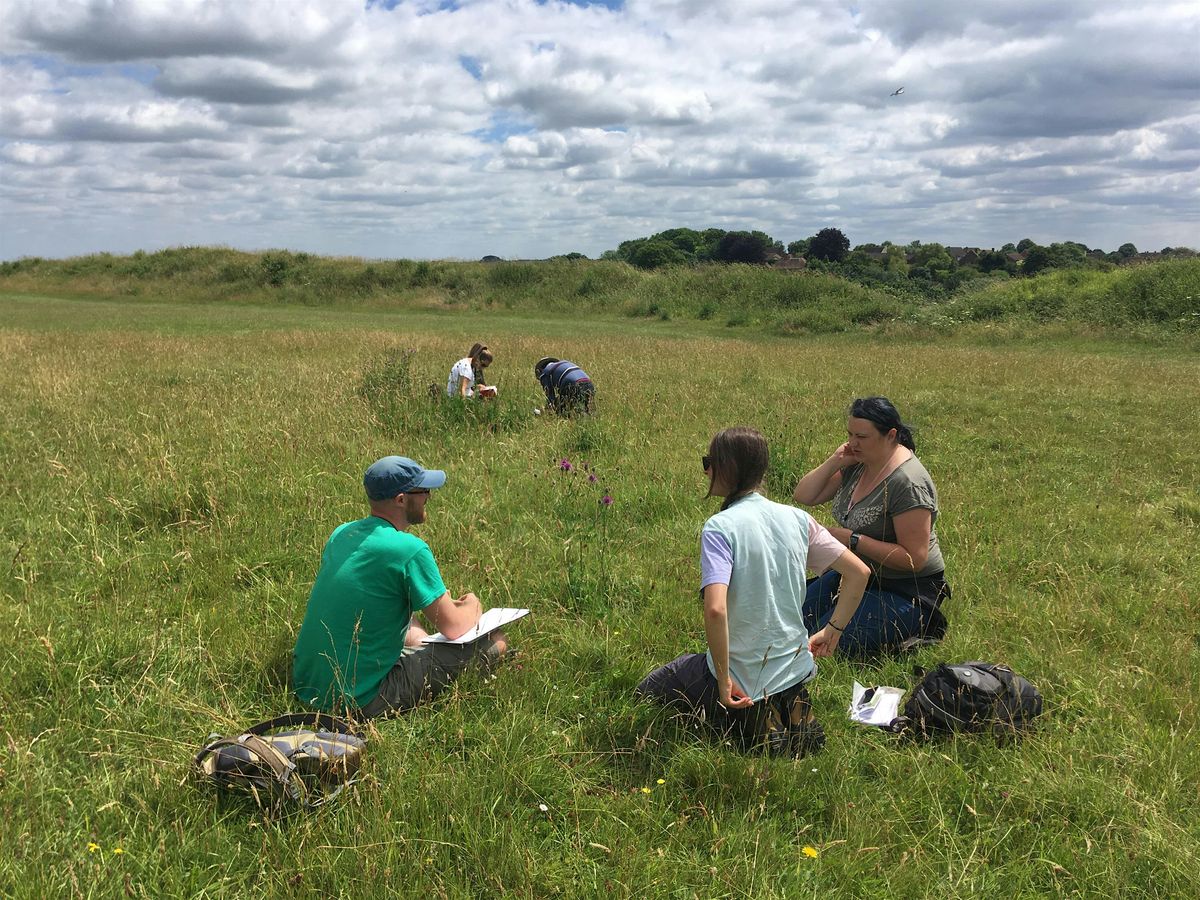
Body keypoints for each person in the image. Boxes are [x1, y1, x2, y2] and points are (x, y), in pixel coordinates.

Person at [636, 427, 869, 755]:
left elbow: (715, 609)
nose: (706, 470)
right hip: (795, 663)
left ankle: (753, 718)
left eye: (709, 462)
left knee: (647, 692)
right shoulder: (798, 519)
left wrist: (722, 680)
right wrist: (833, 630)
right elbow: (859, 573)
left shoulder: (720, 527)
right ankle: (786, 704)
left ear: (727, 468)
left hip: (743, 673)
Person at [293, 456, 508, 718]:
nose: (428, 496)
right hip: (361, 699)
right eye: (423, 490)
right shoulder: (410, 550)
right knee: (496, 642)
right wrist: (472, 604)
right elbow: (455, 628)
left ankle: (418, 644)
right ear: (401, 499)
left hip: (307, 687)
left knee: (404, 617)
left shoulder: (342, 533)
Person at [792, 397, 951, 656]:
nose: (853, 443)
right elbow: (804, 496)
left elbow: (915, 559)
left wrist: (852, 539)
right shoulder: (857, 463)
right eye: (850, 435)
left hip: (903, 588)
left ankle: (918, 630)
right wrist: (835, 461)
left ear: (890, 435)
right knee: (793, 622)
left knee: (824, 644)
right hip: (855, 574)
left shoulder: (908, 483)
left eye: (862, 437)